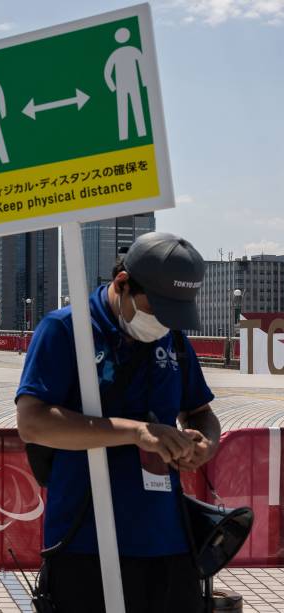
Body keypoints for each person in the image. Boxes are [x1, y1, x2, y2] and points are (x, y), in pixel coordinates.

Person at [16, 233, 219, 612]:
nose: (162, 322)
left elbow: (202, 412)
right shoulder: (65, 329)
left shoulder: (172, 339)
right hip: (86, 541)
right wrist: (136, 433)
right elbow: (33, 423)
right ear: (122, 283)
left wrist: (206, 442)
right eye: (155, 309)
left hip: (170, 542)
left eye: (173, 314)